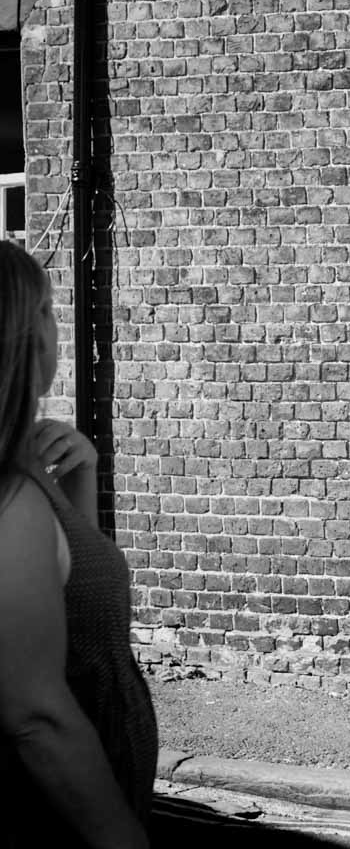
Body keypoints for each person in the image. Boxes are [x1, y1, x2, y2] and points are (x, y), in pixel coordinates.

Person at [0, 242, 157, 848]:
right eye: (46, 310)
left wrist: (81, 473)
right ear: (27, 334)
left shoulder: (29, 465)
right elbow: (33, 715)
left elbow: (76, 586)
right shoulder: (10, 495)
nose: (54, 326)